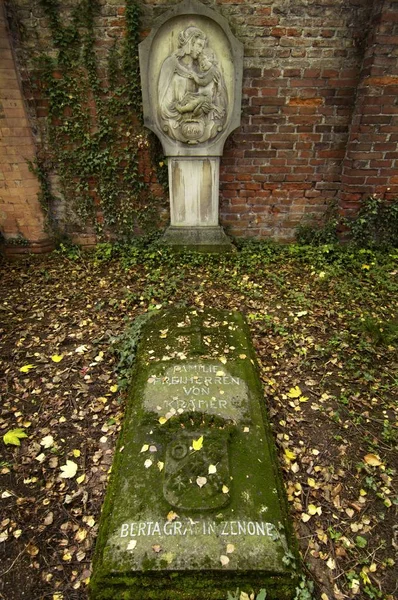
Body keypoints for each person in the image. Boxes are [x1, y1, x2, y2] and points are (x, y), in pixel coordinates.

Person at [158, 26, 227, 143]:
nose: (201, 50)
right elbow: (164, 105)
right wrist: (183, 110)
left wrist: (206, 108)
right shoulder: (170, 64)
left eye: (203, 47)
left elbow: (219, 98)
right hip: (177, 120)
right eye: (199, 45)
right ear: (190, 43)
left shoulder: (204, 69)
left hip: (200, 122)